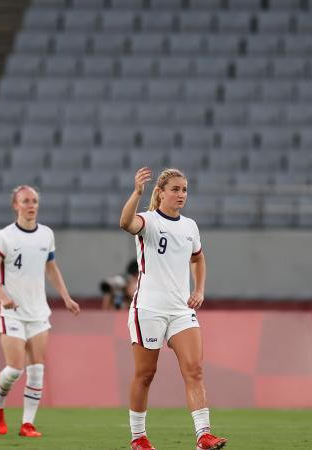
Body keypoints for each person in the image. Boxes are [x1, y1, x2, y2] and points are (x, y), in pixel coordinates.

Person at [119, 167, 227, 450]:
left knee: (195, 370)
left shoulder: (190, 226)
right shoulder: (149, 221)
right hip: (148, 309)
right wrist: (136, 192)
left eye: (185, 189)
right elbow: (124, 222)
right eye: (175, 189)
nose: (181, 194)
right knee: (145, 374)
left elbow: (198, 259)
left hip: (180, 310)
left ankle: (204, 435)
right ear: (161, 192)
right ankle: (138, 437)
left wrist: (199, 289)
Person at [0, 185, 80, 438]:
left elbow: (51, 267)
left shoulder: (46, 234)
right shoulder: (5, 236)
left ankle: (28, 424)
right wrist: (3, 297)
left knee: (37, 369)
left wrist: (66, 297)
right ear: (16, 205)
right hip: (11, 312)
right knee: (15, 369)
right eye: (25, 201)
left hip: (38, 312)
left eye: (34, 201)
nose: (31, 205)